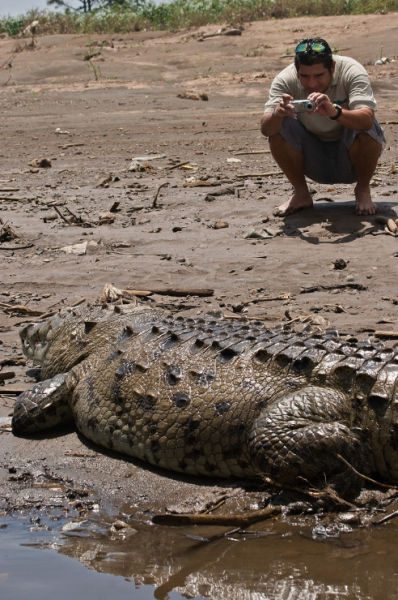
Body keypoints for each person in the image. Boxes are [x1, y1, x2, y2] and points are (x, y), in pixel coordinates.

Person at [260, 37, 386, 216]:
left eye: (319, 75)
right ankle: (301, 193)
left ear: (332, 68)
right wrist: (278, 114)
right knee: (280, 124)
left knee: (366, 121)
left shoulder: (352, 71)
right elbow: (266, 129)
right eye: (304, 76)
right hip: (313, 158)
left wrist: (335, 113)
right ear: (296, 71)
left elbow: (366, 121)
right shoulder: (284, 80)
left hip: (351, 158)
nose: (312, 84)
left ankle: (363, 190)